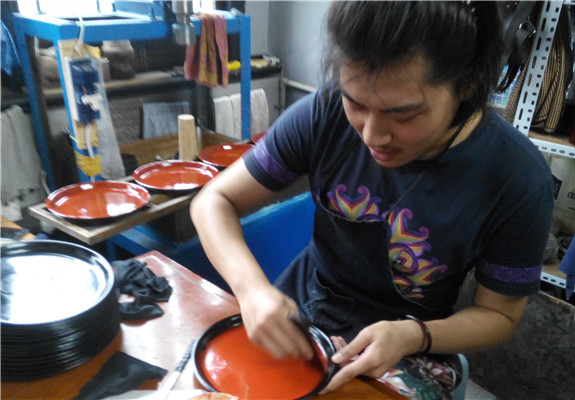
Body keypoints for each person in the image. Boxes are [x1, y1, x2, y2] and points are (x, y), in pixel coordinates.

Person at [190, 2, 554, 399]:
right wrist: (251, 289)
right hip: (305, 314)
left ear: (468, 83)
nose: (372, 136)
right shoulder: (323, 114)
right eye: (357, 104)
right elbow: (214, 200)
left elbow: (499, 315)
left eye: (404, 115)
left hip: (411, 340)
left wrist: (413, 335)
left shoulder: (516, 178)